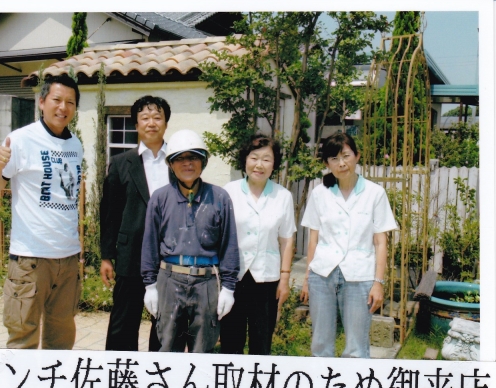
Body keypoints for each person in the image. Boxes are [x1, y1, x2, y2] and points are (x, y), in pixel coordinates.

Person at [0, 74, 83, 349]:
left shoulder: (75, 144)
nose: (63, 107)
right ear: (41, 102)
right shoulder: (20, 140)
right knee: (22, 339)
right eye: (57, 100)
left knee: (61, 340)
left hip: (68, 258)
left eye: (70, 102)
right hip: (31, 259)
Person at [299, 132, 398, 358]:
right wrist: (307, 278)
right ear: (327, 163)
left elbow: (380, 242)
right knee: (321, 344)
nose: (341, 163)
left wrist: (378, 282)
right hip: (322, 274)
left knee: (356, 347)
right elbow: (313, 239)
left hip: (359, 275)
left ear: (357, 156)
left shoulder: (374, 193)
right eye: (334, 158)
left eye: (346, 156)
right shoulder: (319, 193)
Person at [141, 129, 239, 353]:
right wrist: (150, 286)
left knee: (202, 350)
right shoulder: (160, 198)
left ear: (203, 161)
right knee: (167, 348)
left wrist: (228, 288)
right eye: (180, 158)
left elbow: (229, 245)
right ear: (171, 164)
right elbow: (150, 244)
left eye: (193, 157)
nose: (187, 163)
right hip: (169, 280)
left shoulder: (219, 198)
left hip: (206, 282)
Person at [100, 95, 172, 351]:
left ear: (165, 123)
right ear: (136, 124)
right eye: (145, 118)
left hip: (169, 256)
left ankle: (158, 371)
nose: (152, 123)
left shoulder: (178, 162)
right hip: (130, 254)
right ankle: (120, 370)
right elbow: (110, 213)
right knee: (123, 323)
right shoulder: (121, 163)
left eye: (157, 117)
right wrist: (106, 256)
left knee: (165, 323)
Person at [220, 135, 296, 355]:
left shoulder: (283, 196)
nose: (259, 165)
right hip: (233, 277)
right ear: (245, 160)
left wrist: (284, 278)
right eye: (254, 158)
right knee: (230, 342)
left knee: (261, 344)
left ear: (274, 164)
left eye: (266, 159)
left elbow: (287, 239)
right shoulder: (229, 192)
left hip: (267, 279)